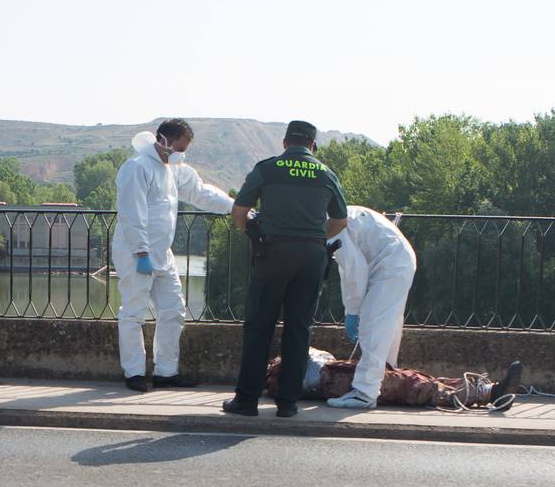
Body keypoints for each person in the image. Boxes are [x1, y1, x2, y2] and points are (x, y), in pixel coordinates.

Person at [225, 120, 348, 418]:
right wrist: (316, 237)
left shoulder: (267, 168)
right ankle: (288, 403)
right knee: (299, 329)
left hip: (273, 254)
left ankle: (247, 401)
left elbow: (239, 212)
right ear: (312, 145)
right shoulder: (325, 173)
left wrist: (251, 233)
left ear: (284, 142)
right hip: (312, 257)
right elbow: (341, 221)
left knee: (259, 326)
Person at [112, 119, 234, 391]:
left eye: (184, 149)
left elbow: (201, 193)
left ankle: (166, 372)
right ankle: (133, 372)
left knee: (173, 310)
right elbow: (132, 214)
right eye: (178, 147)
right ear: (162, 140)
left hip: (162, 254)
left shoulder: (175, 169)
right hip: (136, 253)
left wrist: (236, 208)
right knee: (133, 312)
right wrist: (141, 251)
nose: (181, 153)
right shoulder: (137, 167)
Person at [324, 206, 418, 409]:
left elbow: (353, 271)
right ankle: (387, 375)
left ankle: (365, 393)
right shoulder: (337, 215)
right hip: (397, 259)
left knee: (372, 326)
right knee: (389, 323)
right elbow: (350, 269)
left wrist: (352, 311)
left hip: (390, 263)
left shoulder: (330, 227)